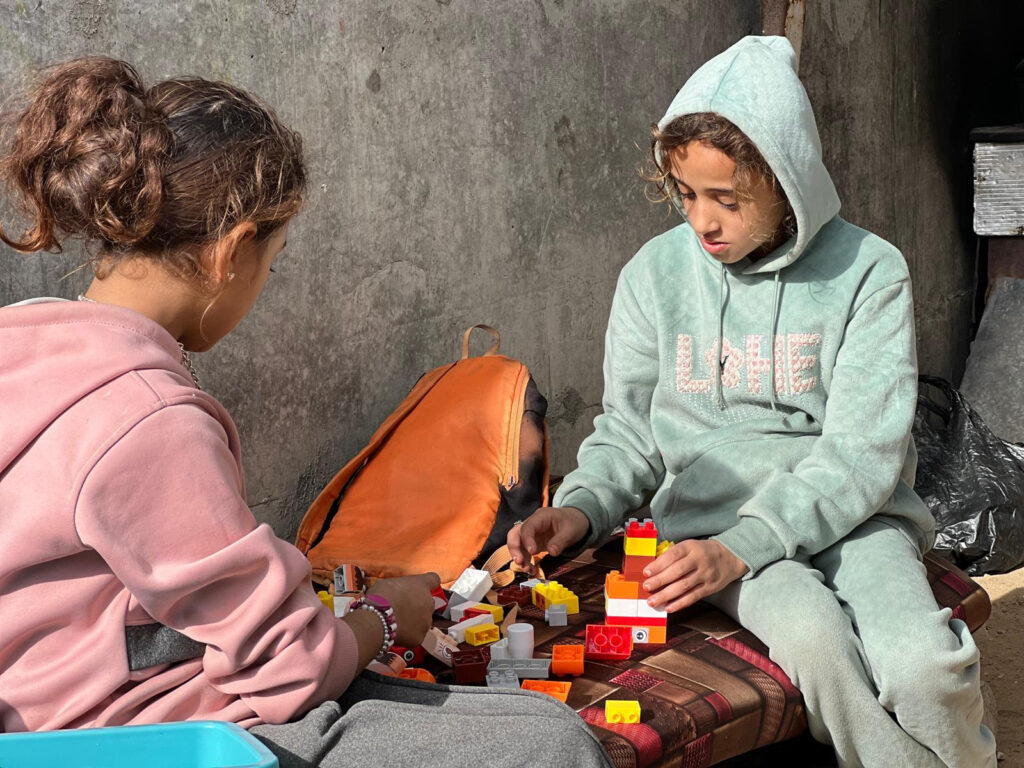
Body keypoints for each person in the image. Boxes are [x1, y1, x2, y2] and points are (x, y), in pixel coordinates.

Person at [0, 58, 610, 768]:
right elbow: (285, 671)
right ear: (232, 253)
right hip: (139, 739)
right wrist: (384, 620)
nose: (265, 281)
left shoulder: (24, 345)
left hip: (33, 724)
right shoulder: (149, 417)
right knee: (553, 743)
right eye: (273, 260)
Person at [508, 36, 996, 768]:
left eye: (726, 199)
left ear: (788, 180)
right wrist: (579, 508)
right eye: (685, 194)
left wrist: (747, 545)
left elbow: (863, 457)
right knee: (817, 644)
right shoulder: (653, 277)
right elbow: (630, 435)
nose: (701, 221)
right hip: (713, 529)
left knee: (924, 667)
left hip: (856, 522)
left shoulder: (871, 273)